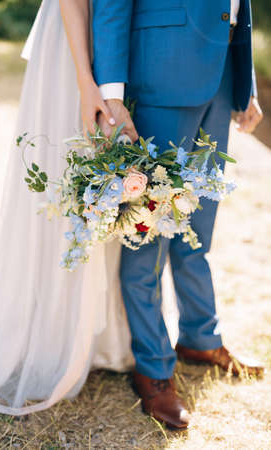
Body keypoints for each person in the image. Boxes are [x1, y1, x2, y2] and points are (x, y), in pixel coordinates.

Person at [92, 0, 264, 429]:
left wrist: (247, 84)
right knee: (149, 229)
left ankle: (200, 339)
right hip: (162, 72)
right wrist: (111, 95)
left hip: (223, 70)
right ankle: (153, 366)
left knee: (199, 224)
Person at [0, 0, 134, 416]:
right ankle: (52, 332)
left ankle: (104, 334)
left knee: (113, 180)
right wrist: (85, 80)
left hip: (117, 41)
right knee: (69, 173)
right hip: (73, 45)